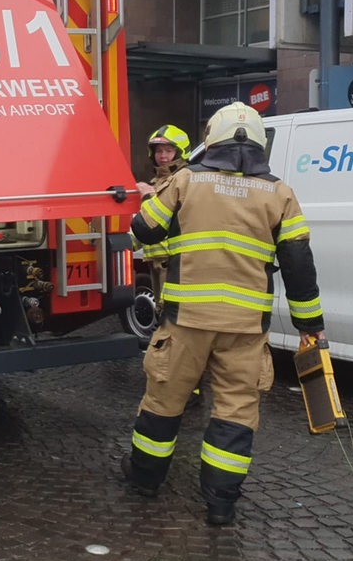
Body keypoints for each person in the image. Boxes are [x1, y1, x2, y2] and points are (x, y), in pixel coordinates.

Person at [122, 102, 325, 526]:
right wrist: (311, 329)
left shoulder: (185, 181)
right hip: (245, 329)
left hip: (185, 322)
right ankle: (220, 504)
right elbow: (299, 266)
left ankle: (144, 481)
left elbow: (144, 230)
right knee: (235, 413)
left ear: (211, 139)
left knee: (164, 402)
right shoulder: (280, 194)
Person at [134, 124, 192, 314]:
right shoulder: (156, 182)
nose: (163, 156)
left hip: (175, 261)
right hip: (157, 261)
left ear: (181, 152)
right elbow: (145, 223)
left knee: (174, 313)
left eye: (169, 150)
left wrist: (147, 197)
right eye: (159, 151)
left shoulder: (184, 180)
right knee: (162, 311)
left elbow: (162, 216)